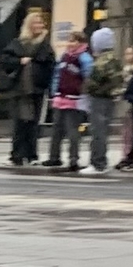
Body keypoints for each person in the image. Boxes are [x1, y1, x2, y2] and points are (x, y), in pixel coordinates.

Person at [82, 32, 129, 176]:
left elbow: (92, 82)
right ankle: (101, 162)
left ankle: (97, 163)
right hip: (110, 99)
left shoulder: (101, 62)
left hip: (99, 98)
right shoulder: (115, 60)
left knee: (98, 132)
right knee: (104, 131)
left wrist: (88, 88)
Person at [45, 28, 91, 170]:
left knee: (73, 131)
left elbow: (88, 78)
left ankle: (73, 159)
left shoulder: (84, 58)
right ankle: (54, 157)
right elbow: (57, 75)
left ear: (81, 43)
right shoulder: (64, 57)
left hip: (75, 99)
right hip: (60, 97)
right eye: (69, 41)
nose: (70, 44)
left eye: (74, 41)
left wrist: (84, 95)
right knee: (56, 130)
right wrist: (54, 91)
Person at [9, 31, 54, 165]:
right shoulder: (17, 43)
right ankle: (19, 154)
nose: (39, 27)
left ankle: (30, 154)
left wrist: (45, 83)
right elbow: (6, 61)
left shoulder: (45, 46)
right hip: (22, 91)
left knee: (32, 124)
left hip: (36, 90)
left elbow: (50, 65)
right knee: (22, 123)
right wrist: (19, 61)